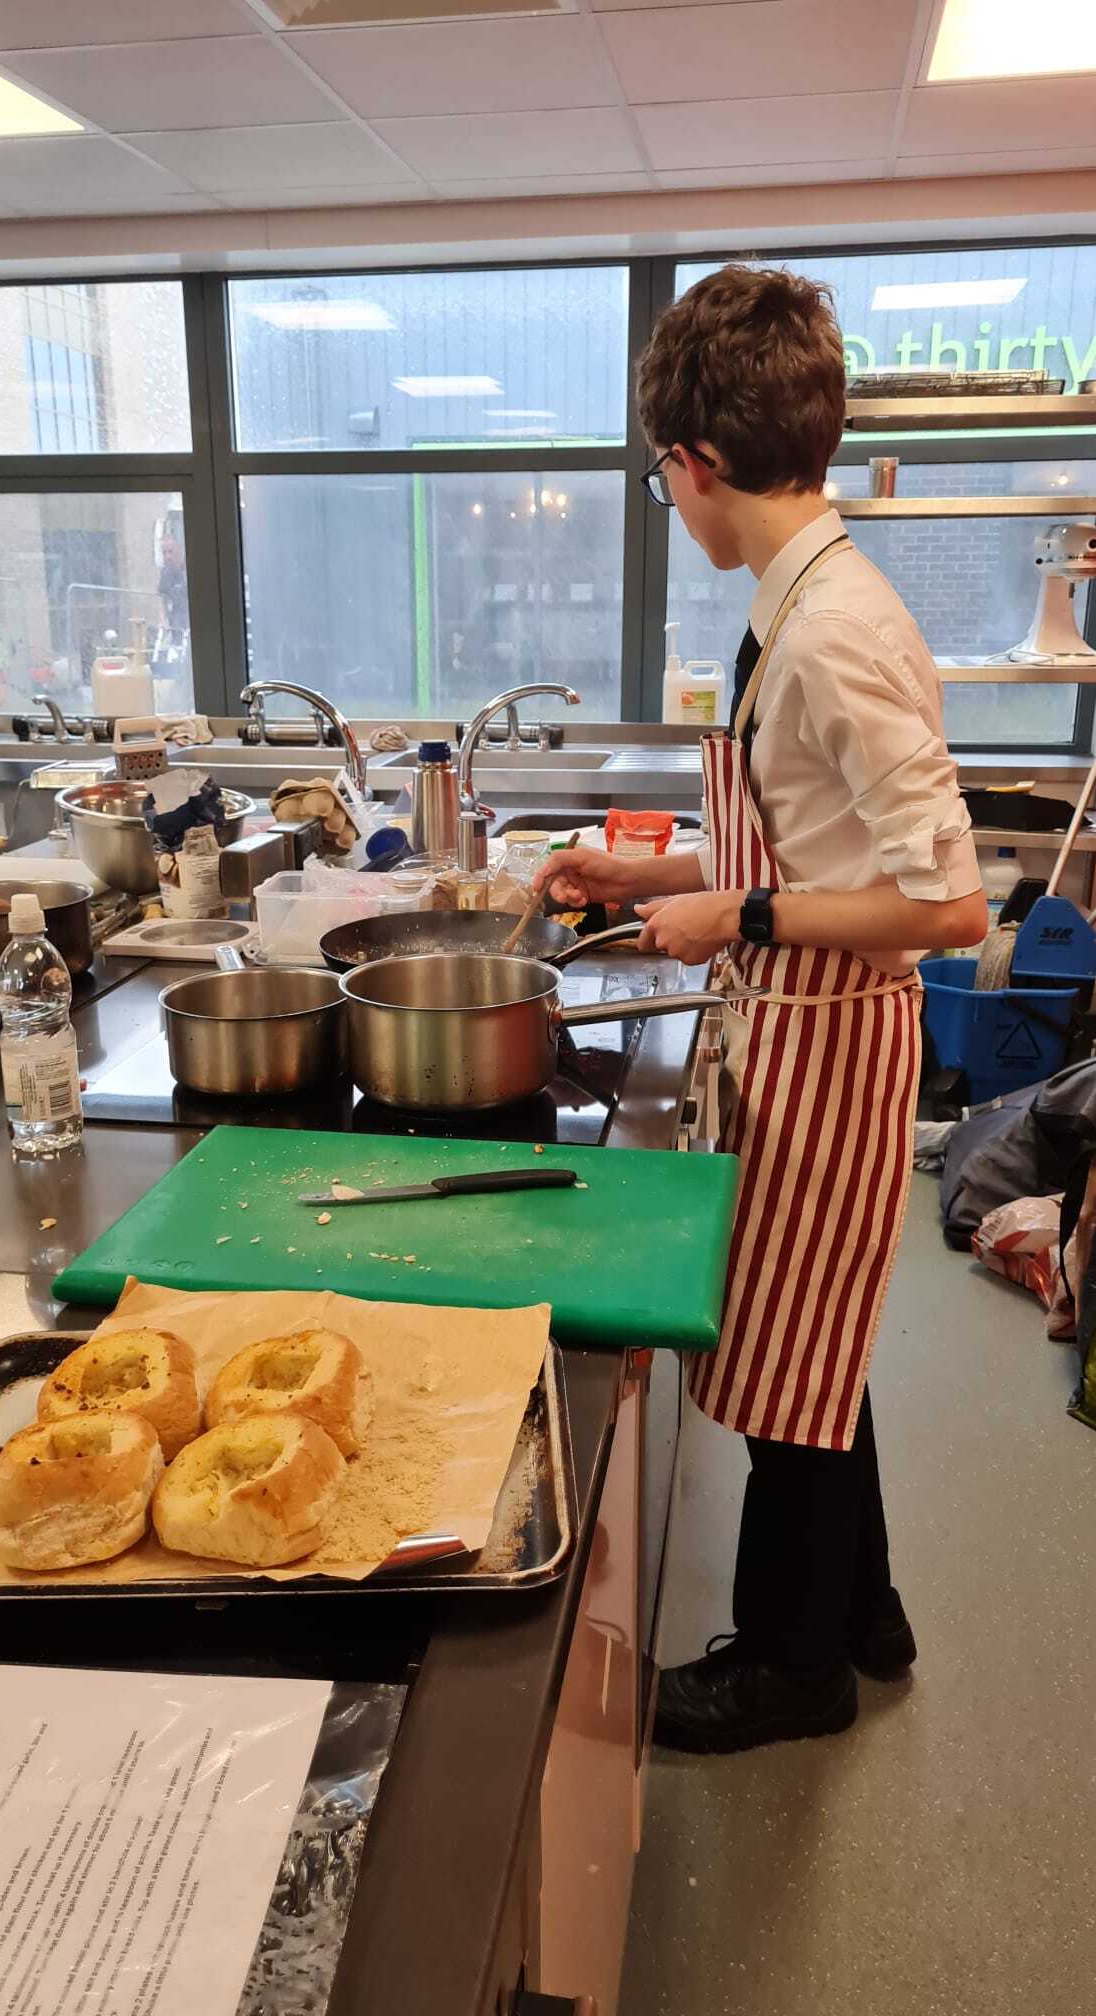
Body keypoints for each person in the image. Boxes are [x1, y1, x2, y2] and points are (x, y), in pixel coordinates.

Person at [534, 266, 987, 1755]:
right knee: (816, 1339)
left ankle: (791, 1672)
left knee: (791, 1360)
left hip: (829, 1036)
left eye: (661, 474)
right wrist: (642, 870)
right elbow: (813, 840)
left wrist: (734, 917)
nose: (670, 498)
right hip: (797, 1019)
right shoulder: (795, 603)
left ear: (697, 461)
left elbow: (949, 906)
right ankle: (861, 1611)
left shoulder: (831, 632)